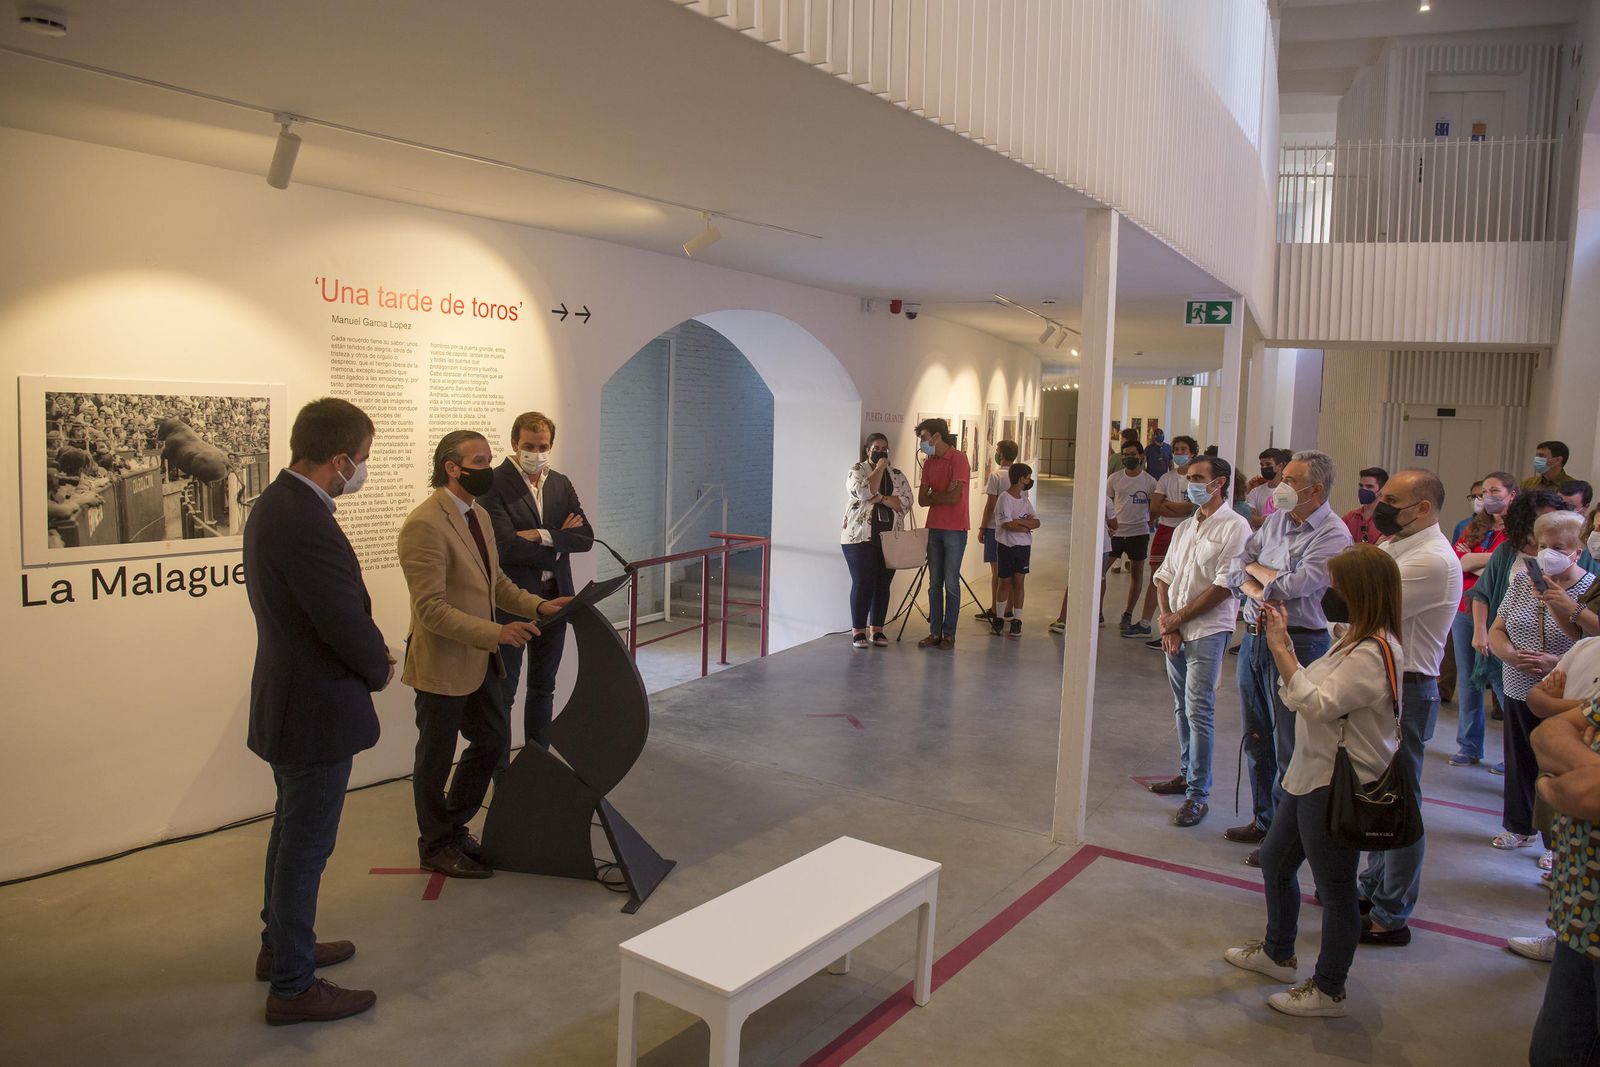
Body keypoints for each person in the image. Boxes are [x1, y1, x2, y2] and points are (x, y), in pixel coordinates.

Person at [244, 398, 391, 1025]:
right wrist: (381, 665)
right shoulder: (304, 520)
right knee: (306, 845)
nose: (361, 470)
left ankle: (280, 947)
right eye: (360, 460)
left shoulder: (277, 503)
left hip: (290, 700)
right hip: (314, 709)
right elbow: (340, 620)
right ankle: (293, 985)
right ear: (337, 460)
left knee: (290, 834)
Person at [1224, 545, 1402, 1020]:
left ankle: (1329, 987)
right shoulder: (1349, 641)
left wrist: (1281, 647)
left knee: (1336, 887)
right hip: (1306, 775)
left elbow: (1317, 703)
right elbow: (1304, 692)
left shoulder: (1373, 652)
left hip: (1333, 786)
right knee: (1277, 862)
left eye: (1336, 587)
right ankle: (1278, 951)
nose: (1328, 595)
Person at [399, 431, 570, 879]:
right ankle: (435, 843)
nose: (488, 469)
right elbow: (431, 609)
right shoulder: (425, 524)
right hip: (442, 661)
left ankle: (453, 828)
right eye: (479, 461)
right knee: (435, 757)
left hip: (478, 660)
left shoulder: (477, 516)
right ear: (451, 467)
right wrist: (498, 631)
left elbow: (495, 584)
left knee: (492, 740)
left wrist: (538, 605)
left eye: (490, 460)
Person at [1225, 450, 1352, 866]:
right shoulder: (1278, 520)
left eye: (1291, 481)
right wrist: (1260, 579)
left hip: (1299, 642)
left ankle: (1284, 838)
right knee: (1257, 736)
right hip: (1256, 638)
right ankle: (1263, 819)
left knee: (1289, 745)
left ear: (1315, 489)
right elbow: (1234, 567)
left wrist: (1257, 576)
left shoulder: (1333, 534)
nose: (1280, 486)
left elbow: (1296, 585)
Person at [1353, 469, 1463, 947]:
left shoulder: (1433, 560)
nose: (1380, 505)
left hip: (1409, 688)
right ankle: (1373, 888)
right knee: (1378, 792)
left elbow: (1360, 608)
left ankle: (1391, 913)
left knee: (1400, 801)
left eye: (1391, 499)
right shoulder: (1396, 544)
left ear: (1423, 508)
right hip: (1385, 684)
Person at [478, 411, 593, 759]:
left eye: (542, 446)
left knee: (544, 688)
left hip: (556, 600)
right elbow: (504, 547)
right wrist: (558, 541)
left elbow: (585, 538)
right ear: (514, 443)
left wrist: (541, 535)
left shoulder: (560, 482)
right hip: (513, 602)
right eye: (528, 445)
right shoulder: (494, 483)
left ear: (551, 445)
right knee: (505, 691)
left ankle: (536, 761)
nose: (536, 452)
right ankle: (499, 771)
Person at [1488, 510, 1598, 859]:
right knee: (1519, 757)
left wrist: (1556, 661)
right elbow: (1498, 627)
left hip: (1565, 688)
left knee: (1556, 760)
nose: (1549, 553)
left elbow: (1584, 638)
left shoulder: (1587, 587)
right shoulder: (1524, 581)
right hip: (1519, 681)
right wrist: (1508, 654)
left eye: (1559, 547)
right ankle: (1517, 826)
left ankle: (1554, 840)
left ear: (1577, 551)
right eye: (1544, 545)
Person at [1148, 455, 1251, 827]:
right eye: (1188, 477)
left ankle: (1198, 793)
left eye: (1197, 478)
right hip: (1175, 630)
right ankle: (1187, 771)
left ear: (1219, 483)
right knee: (1181, 707)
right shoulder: (1185, 528)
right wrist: (1169, 623)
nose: (1189, 483)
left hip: (1207, 632)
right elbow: (1164, 576)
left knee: (1199, 710)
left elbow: (1224, 586)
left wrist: (1179, 619)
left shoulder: (1235, 528)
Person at [1507, 637, 1600, 964]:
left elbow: (1588, 794)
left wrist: (1555, 779)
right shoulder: (1588, 647)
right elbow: (1543, 725)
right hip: (1577, 918)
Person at [1468, 490, 1573, 777]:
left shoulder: (1568, 560)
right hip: (1509, 654)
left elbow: (1580, 618)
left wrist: (1560, 659)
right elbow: (1483, 594)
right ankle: (1518, 811)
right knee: (1516, 728)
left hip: (1556, 662)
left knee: (1546, 740)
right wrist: (1484, 634)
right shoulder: (1508, 552)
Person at [1527, 695, 1600, 1063]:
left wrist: (1551, 785)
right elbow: (1547, 732)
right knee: (1551, 1054)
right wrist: (1591, 766)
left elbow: (1591, 794)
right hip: (1579, 921)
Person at [1449, 472, 1516, 767]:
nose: (1486, 496)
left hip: (1500, 613)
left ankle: (1513, 754)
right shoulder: (1471, 527)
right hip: (1465, 610)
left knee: (1501, 678)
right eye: (1483, 491)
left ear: (1511, 494)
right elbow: (1459, 562)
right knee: (1468, 679)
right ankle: (1469, 745)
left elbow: (1509, 566)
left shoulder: (1518, 530)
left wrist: (1479, 560)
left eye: (1494, 490)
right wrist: (1488, 560)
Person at [841, 433, 914, 649]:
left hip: (890, 536)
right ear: (867, 450)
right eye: (876, 447)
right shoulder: (857, 470)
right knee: (864, 581)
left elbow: (907, 501)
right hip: (859, 536)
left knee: (883, 583)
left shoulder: (897, 474)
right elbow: (864, 491)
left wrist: (882, 498)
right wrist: (880, 472)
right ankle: (858, 630)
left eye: (884, 448)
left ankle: (877, 629)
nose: (881, 451)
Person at [1129, 435, 1198, 640]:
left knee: (1185, 579)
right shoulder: (1166, 478)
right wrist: (1180, 509)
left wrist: (1170, 506)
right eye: (1176, 449)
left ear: (1192, 452)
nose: (1178, 453)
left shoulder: (1196, 479)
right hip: (1165, 531)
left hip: (1188, 532)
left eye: (1183, 449)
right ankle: (1145, 623)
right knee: (1158, 578)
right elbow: (1155, 507)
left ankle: (1178, 625)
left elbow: (1194, 509)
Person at [915, 417, 970, 650]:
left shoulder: (959, 459)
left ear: (937, 437)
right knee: (933, 584)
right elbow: (921, 499)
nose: (922, 444)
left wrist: (935, 496)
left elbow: (954, 497)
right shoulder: (929, 463)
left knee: (951, 583)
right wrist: (941, 494)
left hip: (956, 529)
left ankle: (949, 634)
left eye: (924, 438)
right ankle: (934, 632)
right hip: (934, 528)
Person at [989, 463, 1039, 637]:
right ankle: (1000, 617)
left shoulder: (1025, 499)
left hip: (1023, 547)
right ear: (1021, 478)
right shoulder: (1005, 498)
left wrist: (1021, 523)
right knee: (1004, 582)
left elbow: (1037, 522)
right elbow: (1008, 525)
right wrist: (1025, 525)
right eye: (1028, 477)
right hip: (1007, 547)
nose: (1029, 480)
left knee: (1019, 583)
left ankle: (1017, 620)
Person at [977, 440, 1022, 623]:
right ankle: (1009, 609)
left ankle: (996, 609)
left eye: (997, 451)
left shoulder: (996, 476)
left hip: (995, 528)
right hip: (1015, 528)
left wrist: (982, 527)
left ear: (1001, 455)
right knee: (1011, 572)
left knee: (997, 572)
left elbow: (990, 505)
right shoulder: (1019, 475)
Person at [1342, 467, 1389, 546]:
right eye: (1361, 486)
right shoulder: (1350, 517)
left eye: (1369, 486)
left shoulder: (1389, 520)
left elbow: (1384, 553)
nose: (1363, 490)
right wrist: (1374, 547)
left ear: (1382, 489)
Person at [1246, 448, 1287, 529]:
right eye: (1262, 465)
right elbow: (1251, 518)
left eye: (1268, 464)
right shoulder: (1255, 491)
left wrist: (1262, 520)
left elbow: (1284, 521)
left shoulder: (1288, 492)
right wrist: (1270, 520)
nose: (1264, 467)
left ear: (1280, 466)